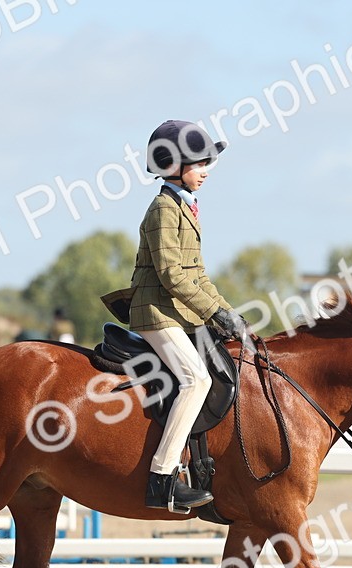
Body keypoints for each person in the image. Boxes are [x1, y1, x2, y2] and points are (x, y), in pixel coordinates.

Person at [103, 119, 246, 512]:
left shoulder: (186, 208)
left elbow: (198, 275)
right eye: (199, 164)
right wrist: (213, 310)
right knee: (195, 380)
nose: (205, 172)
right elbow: (171, 275)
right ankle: (162, 478)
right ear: (173, 165)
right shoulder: (164, 209)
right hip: (156, 314)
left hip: (178, 313)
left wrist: (228, 313)